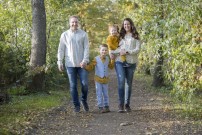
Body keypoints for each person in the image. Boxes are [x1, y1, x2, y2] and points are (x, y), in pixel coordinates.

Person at [57, 15, 90, 113]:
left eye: (76, 22)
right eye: (72, 22)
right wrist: (59, 61)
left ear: (78, 23)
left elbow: (86, 48)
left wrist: (85, 60)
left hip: (81, 64)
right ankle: (76, 106)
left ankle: (83, 100)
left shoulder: (83, 34)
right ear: (69, 23)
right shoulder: (65, 35)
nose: (74, 24)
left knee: (85, 84)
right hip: (70, 64)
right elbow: (61, 49)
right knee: (73, 85)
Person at [112, 18, 141, 113]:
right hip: (120, 61)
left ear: (131, 25)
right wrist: (113, 52)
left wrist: (127, 52)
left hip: (131, 62)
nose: (126, 26)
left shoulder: (136, 36)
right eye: (124, 24)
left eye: (128, 24)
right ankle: (120, 105)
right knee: (121, 81)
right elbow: (114, 46)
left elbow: (137, 49)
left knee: (128, 83)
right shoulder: (120, 36)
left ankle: (127, 104)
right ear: (123, 26)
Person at [85, 44, 114, 113]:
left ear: (107, 51)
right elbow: (91, 67)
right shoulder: (96, 59)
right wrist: (85, 66)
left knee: (106, 93)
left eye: (106, 50)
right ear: (99, 51)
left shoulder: (107, 59)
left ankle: (106, 106)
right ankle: (100, 107)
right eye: (102, 50)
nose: (104, 51)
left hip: (105, 79)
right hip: (98, 79)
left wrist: (113, 59)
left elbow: (111, 67)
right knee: (99, 93)